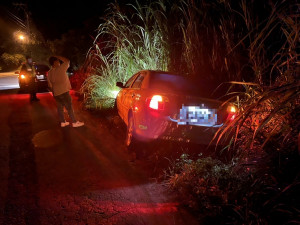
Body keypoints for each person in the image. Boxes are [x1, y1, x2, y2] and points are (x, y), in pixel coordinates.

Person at [47, 55, 84, 128]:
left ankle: (63, 122)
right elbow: (67, 61)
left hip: (56, 93)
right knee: (69, 107)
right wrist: (57, 56)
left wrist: (54, 93)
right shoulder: (61, 68)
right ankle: (74, 122)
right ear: (55, 62)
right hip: (64, 92)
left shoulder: (50, 72)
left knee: (60, 108)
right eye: (58, 61)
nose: (59, 62)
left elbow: (50, 85)